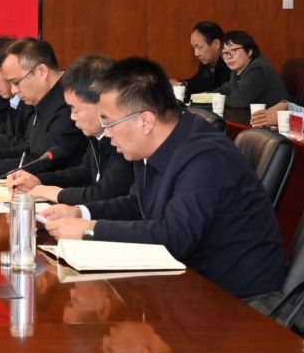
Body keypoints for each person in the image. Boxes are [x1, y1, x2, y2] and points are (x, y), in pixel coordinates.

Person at [43, 57, 286, 300]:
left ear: (145, 121)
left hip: (234, 299)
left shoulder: (204, 157)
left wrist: (90, 230)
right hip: (186, 282)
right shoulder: (155, 144)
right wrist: (81, 212)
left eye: (109, 121)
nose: (107, 132)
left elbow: (175, 236)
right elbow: (137, 204)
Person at [11, 55, 135, 208]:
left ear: (101, 103)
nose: (72, 117)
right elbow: (83, 174)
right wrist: (39, 180)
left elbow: (103, 194)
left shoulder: (124, 141)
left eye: (75, 109)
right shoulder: (96, 136)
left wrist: (55, 193)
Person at [0, 38, 85, 179]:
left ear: (41, 71)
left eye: (16, 82)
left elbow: (44, 162)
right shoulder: (43, 98)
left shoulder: (68, 104)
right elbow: (31, 147)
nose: (14, 90)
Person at [217, 30, 289, 119]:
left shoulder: (258, 69)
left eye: (233, 50)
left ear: (249, 51)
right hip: (256, 119)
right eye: (225, 53)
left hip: (276, 121)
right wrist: (204, 96)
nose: (228, 57)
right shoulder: (238, 70)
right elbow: (224, 89)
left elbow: (239, 101)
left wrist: (217, 100)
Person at [187, 21, 229, 96]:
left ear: (216, 44)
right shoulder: (206, 63)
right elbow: (197, 84)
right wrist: (182, 84)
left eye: (200, 47)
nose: (196, 54)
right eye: (194, 48)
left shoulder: (230, 64)